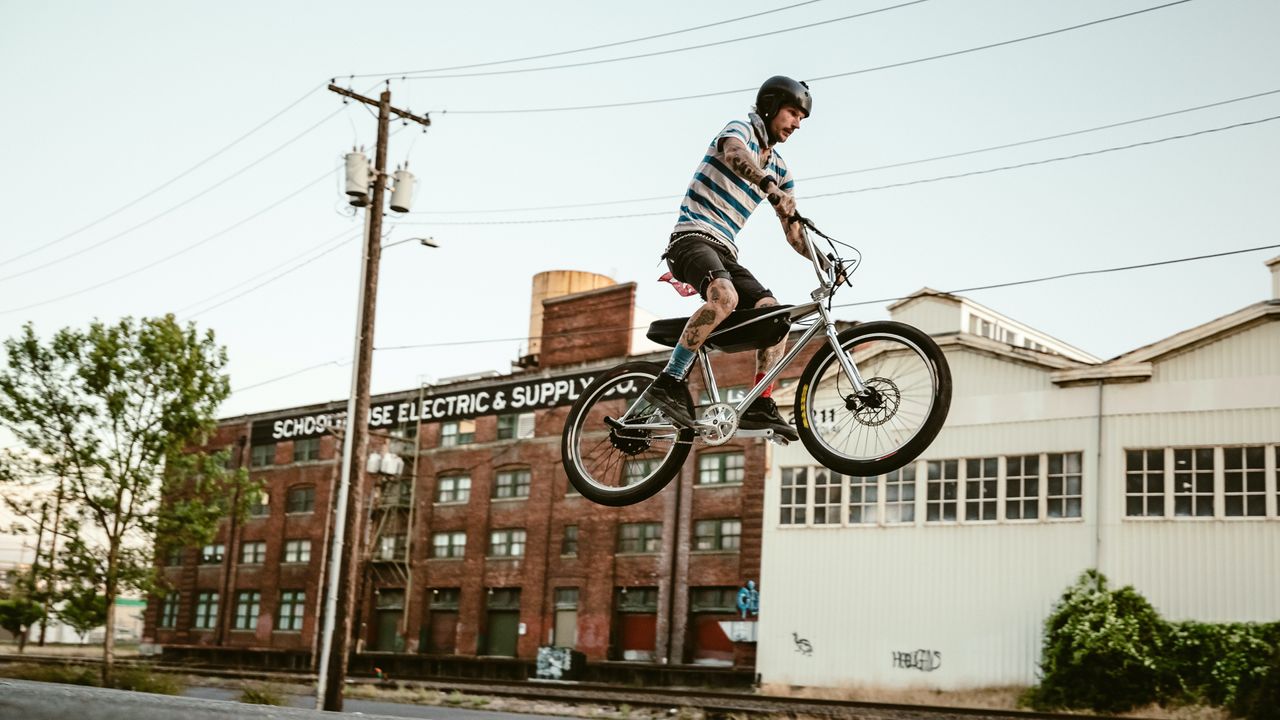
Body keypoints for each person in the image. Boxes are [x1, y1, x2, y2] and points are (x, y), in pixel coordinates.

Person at [643, 75, 822, 441]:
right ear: (771, 105)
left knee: (776, 315)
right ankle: (668, 381)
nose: (797, 124)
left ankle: (759, 401)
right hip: (691, 237)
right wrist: (766, 185)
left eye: (802, 118)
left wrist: (822, 260)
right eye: (792, 113)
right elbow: (734, 154)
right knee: (725, 295)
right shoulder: (740, 128)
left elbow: (792, 231)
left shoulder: (782, 170)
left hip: (725, 248)